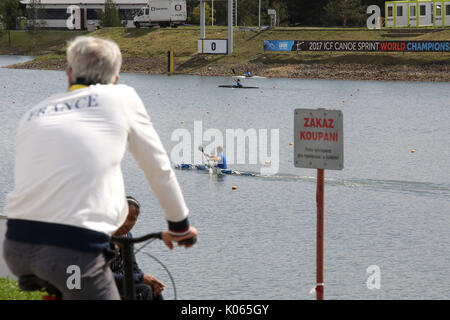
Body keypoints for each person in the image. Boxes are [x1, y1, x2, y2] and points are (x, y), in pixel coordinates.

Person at [2, 36, 198, 300]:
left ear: (69, 73)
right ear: (116, 78)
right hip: (70, 251)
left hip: (17, 246)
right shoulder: (122, 97)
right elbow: (159, 168)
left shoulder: (35, 111)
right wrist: (179, 227)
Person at [111, 196, 164, 300]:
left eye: (132, 219)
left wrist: (149, 280)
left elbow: (133, 268)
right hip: (106, 284)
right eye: (123, 216)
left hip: (123, 282)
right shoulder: (103, 237)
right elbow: (103, 275)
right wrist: (140, 278)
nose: (126, 223)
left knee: (154, 290)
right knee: (145, 290)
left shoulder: (127, 237)